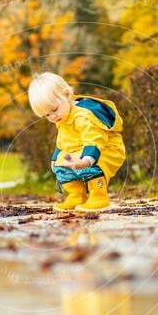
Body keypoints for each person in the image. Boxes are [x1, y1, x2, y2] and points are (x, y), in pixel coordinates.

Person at [28, 72, 126, 212]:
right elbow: (63, 141)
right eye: (47, 115)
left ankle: (99, 196)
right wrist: (56, 158)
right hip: (81, 150)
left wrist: (86, 160)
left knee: (88, 166)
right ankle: (76, 195)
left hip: (106, 148)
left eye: (54, 109)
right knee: (62, 164)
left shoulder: (83, 115)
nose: (53, 117)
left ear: (67, 95)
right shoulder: (63, 117)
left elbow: (94, 139)